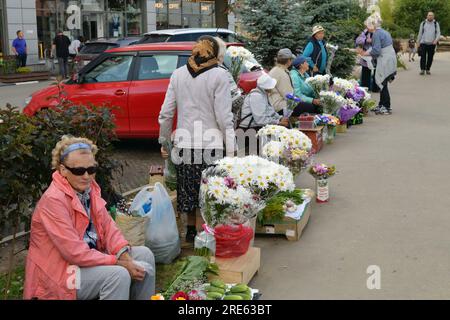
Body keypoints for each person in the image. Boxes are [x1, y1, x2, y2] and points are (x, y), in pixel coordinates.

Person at [24, 136, 155, 300]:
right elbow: (74, 253)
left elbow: (109, 229)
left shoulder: (90, 189)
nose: (86, 176)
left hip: (86, 261)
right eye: (79, 170)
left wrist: (125, 257)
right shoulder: (53, 200)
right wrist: (117, 262)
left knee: (145, 255)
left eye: (91, 169)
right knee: (117, 275)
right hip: (59, 274)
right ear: (63, 170)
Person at [158, 36, 235, 242]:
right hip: (212, 144)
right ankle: (208, 234)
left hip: (185, 143)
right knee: (210, 191)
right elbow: (223, 116)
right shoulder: (220, 75)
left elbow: (166, 113)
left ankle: (191, 232)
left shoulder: (178, 74)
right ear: (215, 52)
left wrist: (164, 142)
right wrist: (231, 148)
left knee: (188, 189)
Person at [357, 14, 396, 115]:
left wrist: (365, 53)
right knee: (383, 82)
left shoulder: (376, 34)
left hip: (385, 60)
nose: (367, 28)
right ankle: (382, 104)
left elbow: (376, 51)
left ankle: (386, 106)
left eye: (368, 26)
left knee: (382, 82)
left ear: (372, 25)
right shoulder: (384, 32)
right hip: (389, 59)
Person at [215, 37, 244, 129]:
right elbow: (236, 100)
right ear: (220, 56)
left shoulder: (192, 71)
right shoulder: (223, 73)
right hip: (219, 125)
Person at [268, 48, 296, 114]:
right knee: (309, 107)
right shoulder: (281, 73)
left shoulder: (277, 69)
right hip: (280, 106)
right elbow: (288, 95)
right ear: (289, 60)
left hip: (274, 104)